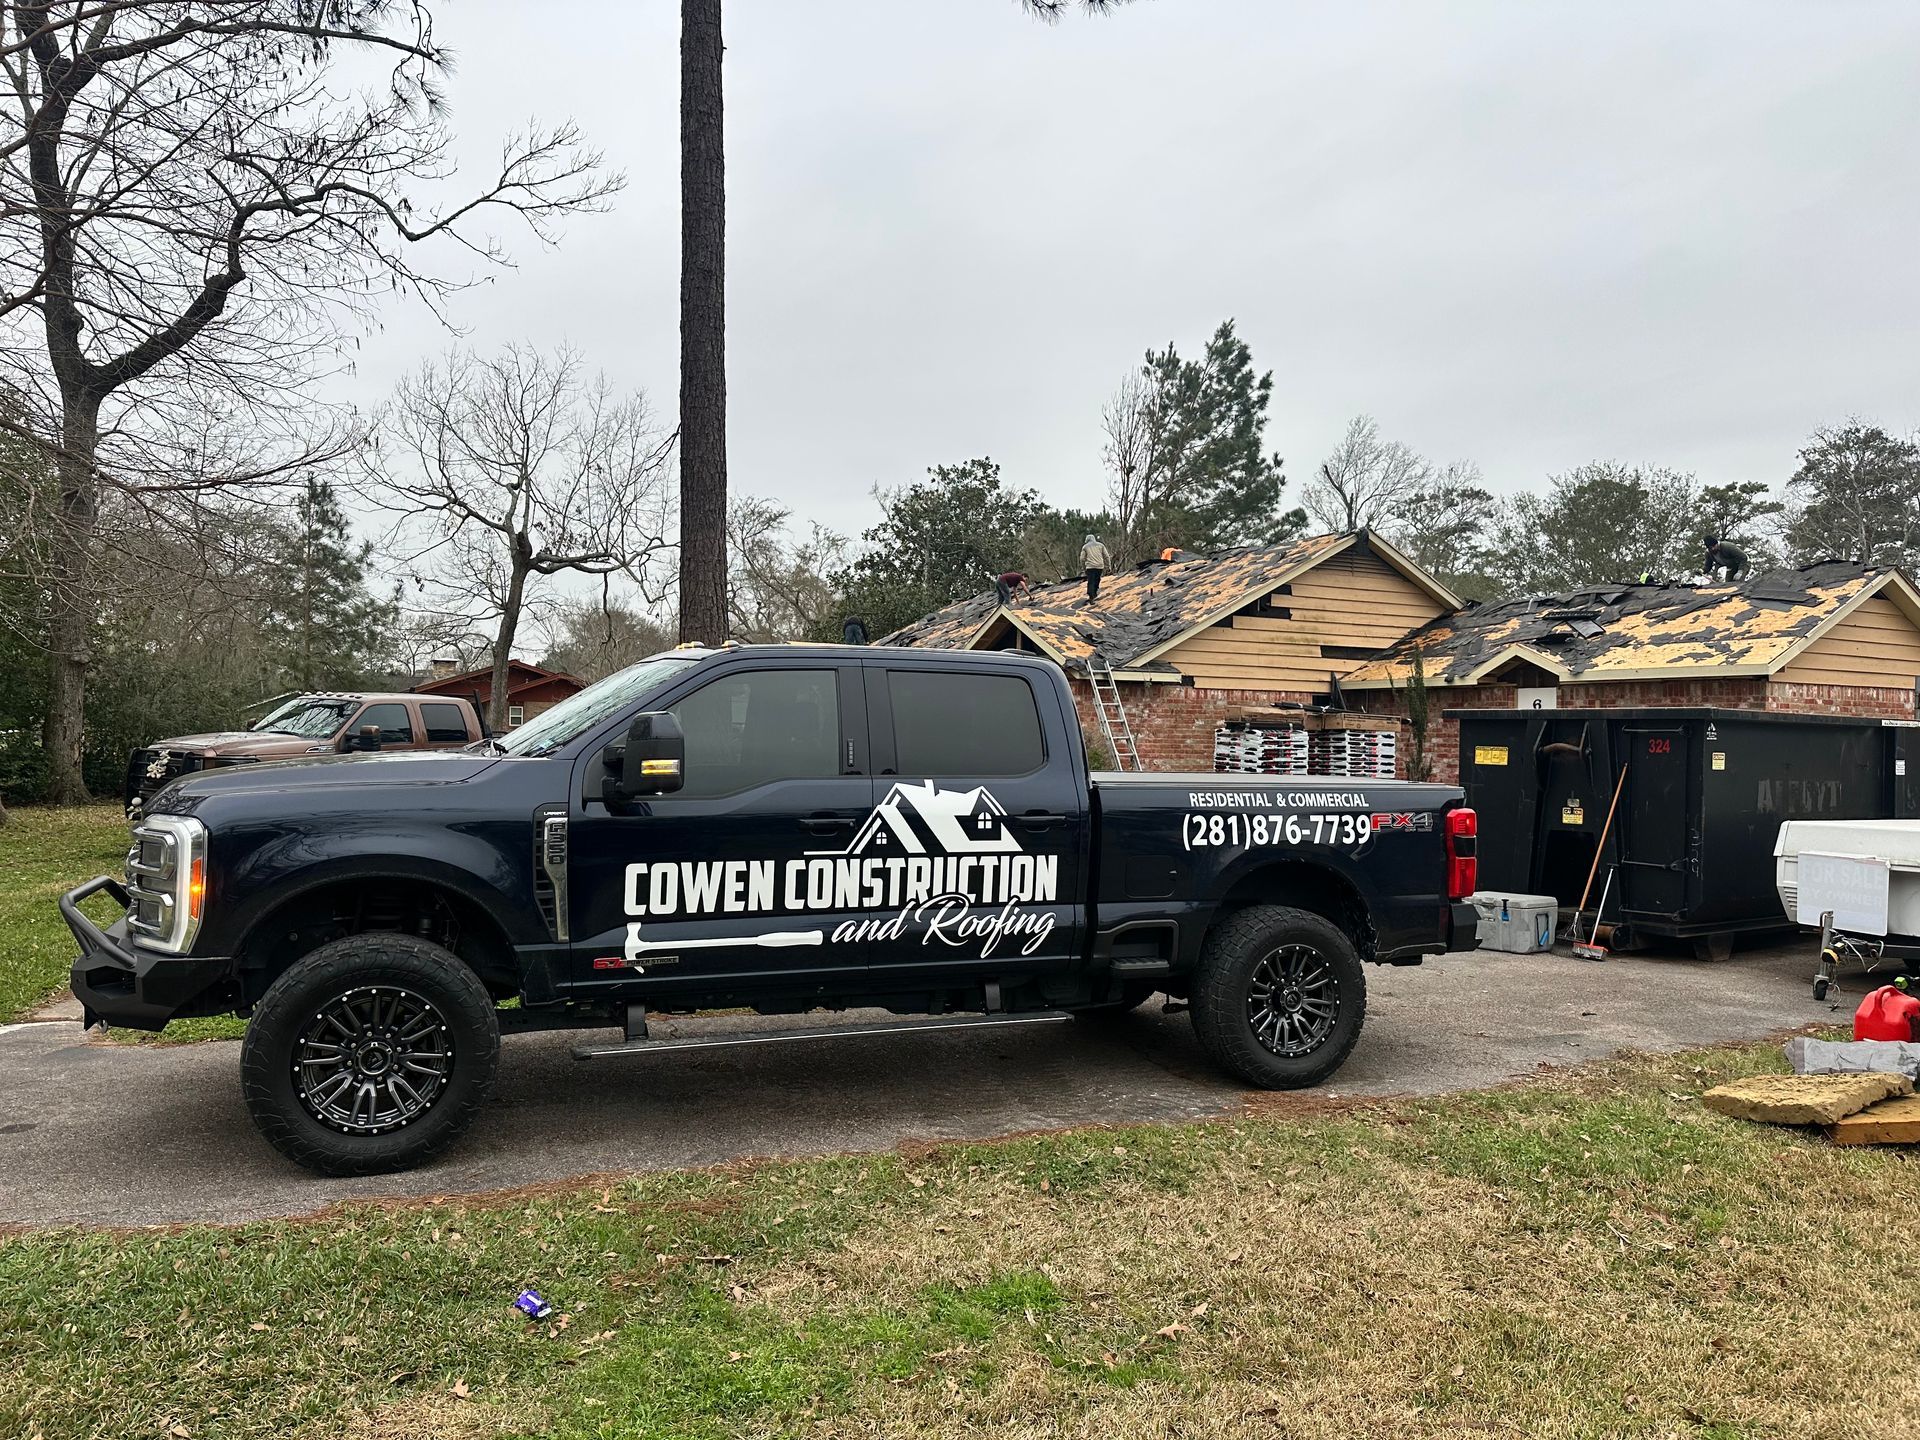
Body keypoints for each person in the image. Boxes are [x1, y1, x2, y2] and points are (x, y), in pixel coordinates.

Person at [1079, 533, 1111, 603]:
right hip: (1100, 566)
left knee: (1091, 581)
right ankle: (1095, 593)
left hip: (1090, 567)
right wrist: (1108, 566)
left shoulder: (1085, 547)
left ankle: (1091, 596)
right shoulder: (1101, 545)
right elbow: (1106, 556)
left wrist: (1084, 568)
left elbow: (1082, 559)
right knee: (1097, 579)